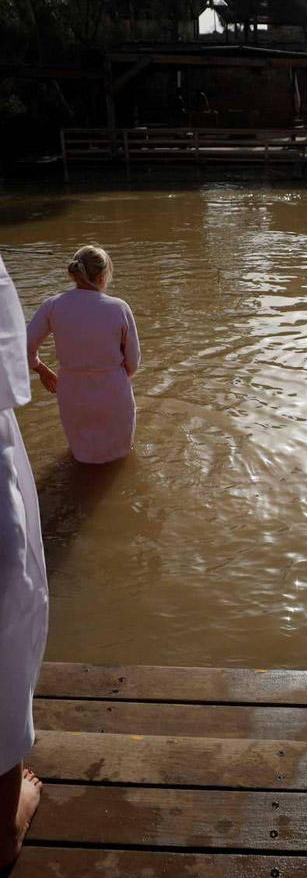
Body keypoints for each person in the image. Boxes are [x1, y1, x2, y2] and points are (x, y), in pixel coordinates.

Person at [0, 254, 48, 869]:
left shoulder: (55, 307)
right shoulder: (116, 309)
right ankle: (5, 828)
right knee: (4, 635)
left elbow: (23, 353)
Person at [27, 245, 141, 465]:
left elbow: (24, 348)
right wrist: (113, 380)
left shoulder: (53, 305)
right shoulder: (119, 308)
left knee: (81, 457)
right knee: (120, 459)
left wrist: (41, 369)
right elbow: (133, 363)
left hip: (71, 392)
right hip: (113, 391)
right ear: (100, 276)